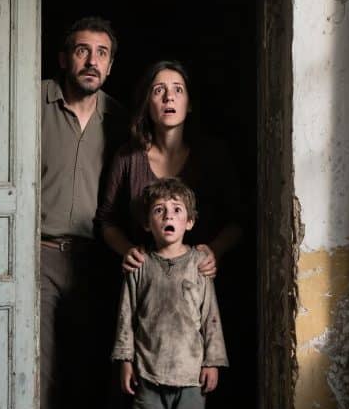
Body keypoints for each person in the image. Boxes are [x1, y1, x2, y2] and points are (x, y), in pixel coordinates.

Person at [39, 16, 128, 409]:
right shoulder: (33, 101)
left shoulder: (119, 119)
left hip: (96, 262)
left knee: (90, 381)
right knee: (43, 380)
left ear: (111, 63)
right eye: (81, 50)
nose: (91, 61)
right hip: (40, 254)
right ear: (63, 57)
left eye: (101, 53)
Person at [111, 177, 228, 409]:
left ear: (190, 221)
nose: (168, 216)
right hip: (148, 375)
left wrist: (212, 362)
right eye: (159, 211)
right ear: (148, 222)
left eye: (177, 210)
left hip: (190, 376)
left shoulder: (199, 265)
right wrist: (126, 361)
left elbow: (211, 318)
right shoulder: (140, 265)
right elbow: (126, 317)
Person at [96, 60, 242, 276]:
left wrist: (214, 251)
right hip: (145, 281)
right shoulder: (128, 157)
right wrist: (127, 250)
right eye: (158, 90)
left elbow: (237, 220)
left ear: (189, 103)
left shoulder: (212, 155)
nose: (169, 97)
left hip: (199, 281)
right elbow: (107, 220)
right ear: (147, 103)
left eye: (178, 89)